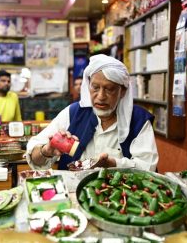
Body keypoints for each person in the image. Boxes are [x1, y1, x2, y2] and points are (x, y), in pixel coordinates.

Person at [26, 54, 159, 171]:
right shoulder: (73, 114)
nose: (101, 96)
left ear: (122, 91)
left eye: (109, 89)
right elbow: (33, 155)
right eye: (95, 87)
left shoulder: (138, 120)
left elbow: (148, 167)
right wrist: (47, 151)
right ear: (88, 85)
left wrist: (114, 164)